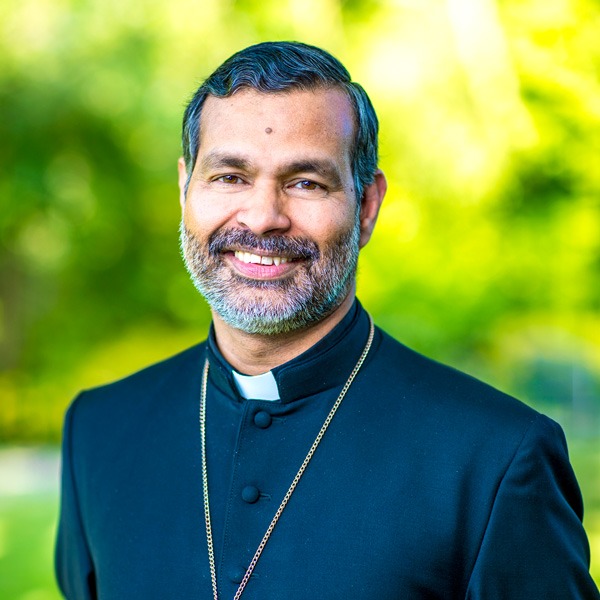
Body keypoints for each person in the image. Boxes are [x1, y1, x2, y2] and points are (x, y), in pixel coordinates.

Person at [55, 41, 599, 599]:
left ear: (366, 207)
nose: (264, 217)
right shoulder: (98, 433)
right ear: (185, 188)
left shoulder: (497, 459)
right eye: (230, 177)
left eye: (306, 182)